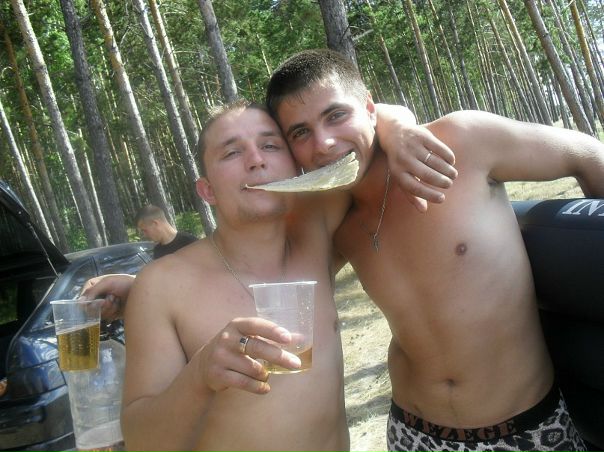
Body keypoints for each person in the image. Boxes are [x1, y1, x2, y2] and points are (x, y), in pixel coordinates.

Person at [266, 48, 604, 452]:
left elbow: (587, 154)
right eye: (300, 133)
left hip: (527, 429)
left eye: (336, 115)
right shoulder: (333, 219)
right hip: (413, 433)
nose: (323, 143)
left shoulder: (461, 141)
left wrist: (396, 124)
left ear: (369, 108)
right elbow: (277, 281)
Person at [116, 99, 456, 452]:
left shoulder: (315, 232)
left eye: (270, 146)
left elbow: (356, 122)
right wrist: (200, 375)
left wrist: (399, 127)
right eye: (232, 153)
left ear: (294, 168)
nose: (256, 160)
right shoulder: (160, 287)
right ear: (208, 190)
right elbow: (141, 442)